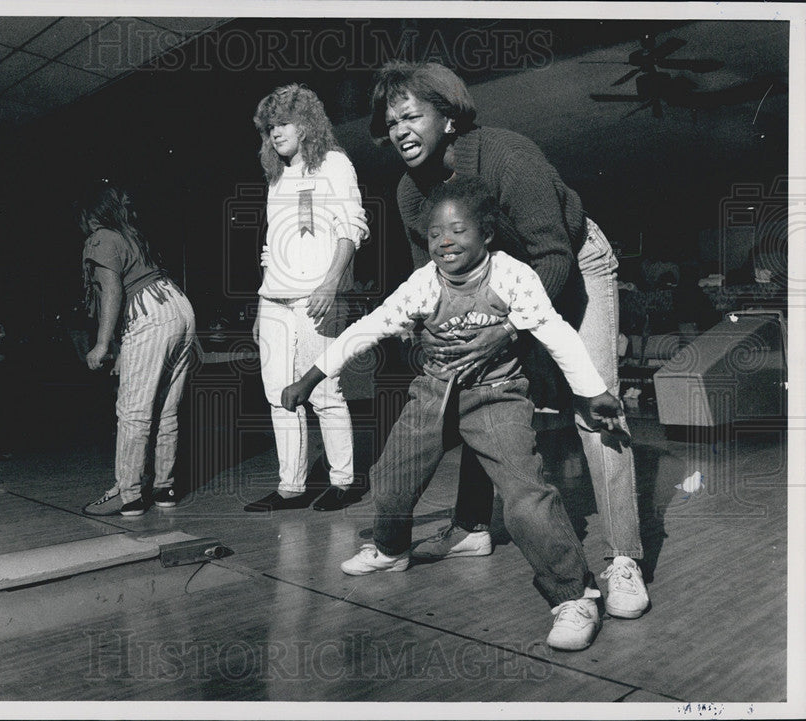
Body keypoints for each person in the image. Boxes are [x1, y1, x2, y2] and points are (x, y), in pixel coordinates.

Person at [282, 177, 620, 651]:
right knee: (390, 478)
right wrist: (311, 377)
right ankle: (392, 549)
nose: (444, 242)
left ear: (486, 233)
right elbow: (369, 327)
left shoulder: (512, 276)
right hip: (434, 392)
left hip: (496, 394)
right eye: (435, 234)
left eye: (458, 231)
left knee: (525, 496)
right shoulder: (424, 283)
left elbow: (555, 332)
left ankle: (574, 594)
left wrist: (594, 391)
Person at [369, 61, 649, 619]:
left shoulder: (506, 155)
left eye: (412, 115)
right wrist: (425, 339)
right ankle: (472, 526)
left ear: (448, 118)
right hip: (502, 284)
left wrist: (505, 330)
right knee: (477, 385)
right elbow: (428, 283)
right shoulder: (409, 193)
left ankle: (624, 560)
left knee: (593, 408)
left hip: (572, 264)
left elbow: (553, 255)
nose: (399, 129)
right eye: (390, 120)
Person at [245, 84, 370, 513]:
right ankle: (290, 487)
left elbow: (351, 227)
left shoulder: (334, 164)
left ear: (306, 123)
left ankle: (344, 481)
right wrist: (264, 300)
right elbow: (271, 244)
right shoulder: (277, 177)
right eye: (269, 127)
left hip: (317, 295)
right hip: (274, 298)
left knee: (324, 392)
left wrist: (330, 284)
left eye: (283, 123)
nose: (275, 133)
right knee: (279, 394)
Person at [78, 181, 197, 517]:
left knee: (133, 410)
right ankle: (164, 486)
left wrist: (102, 344)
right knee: (166, 409)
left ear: (90, 214)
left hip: (149, 313)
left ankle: (128, 493)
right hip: (178, 306)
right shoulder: (131, 233)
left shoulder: (100, 237)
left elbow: (113, 291)